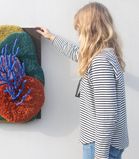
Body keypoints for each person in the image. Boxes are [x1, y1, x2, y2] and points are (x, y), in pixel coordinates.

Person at [36, 2, 129, 159]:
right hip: (104, 144)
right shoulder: (101, 57)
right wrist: (52, 38)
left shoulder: (100, 62)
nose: (78, 36)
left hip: (100, 148)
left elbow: (106, 115)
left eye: (79, 30)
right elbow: (75, 53)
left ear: (90, 31)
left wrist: (100, 156)